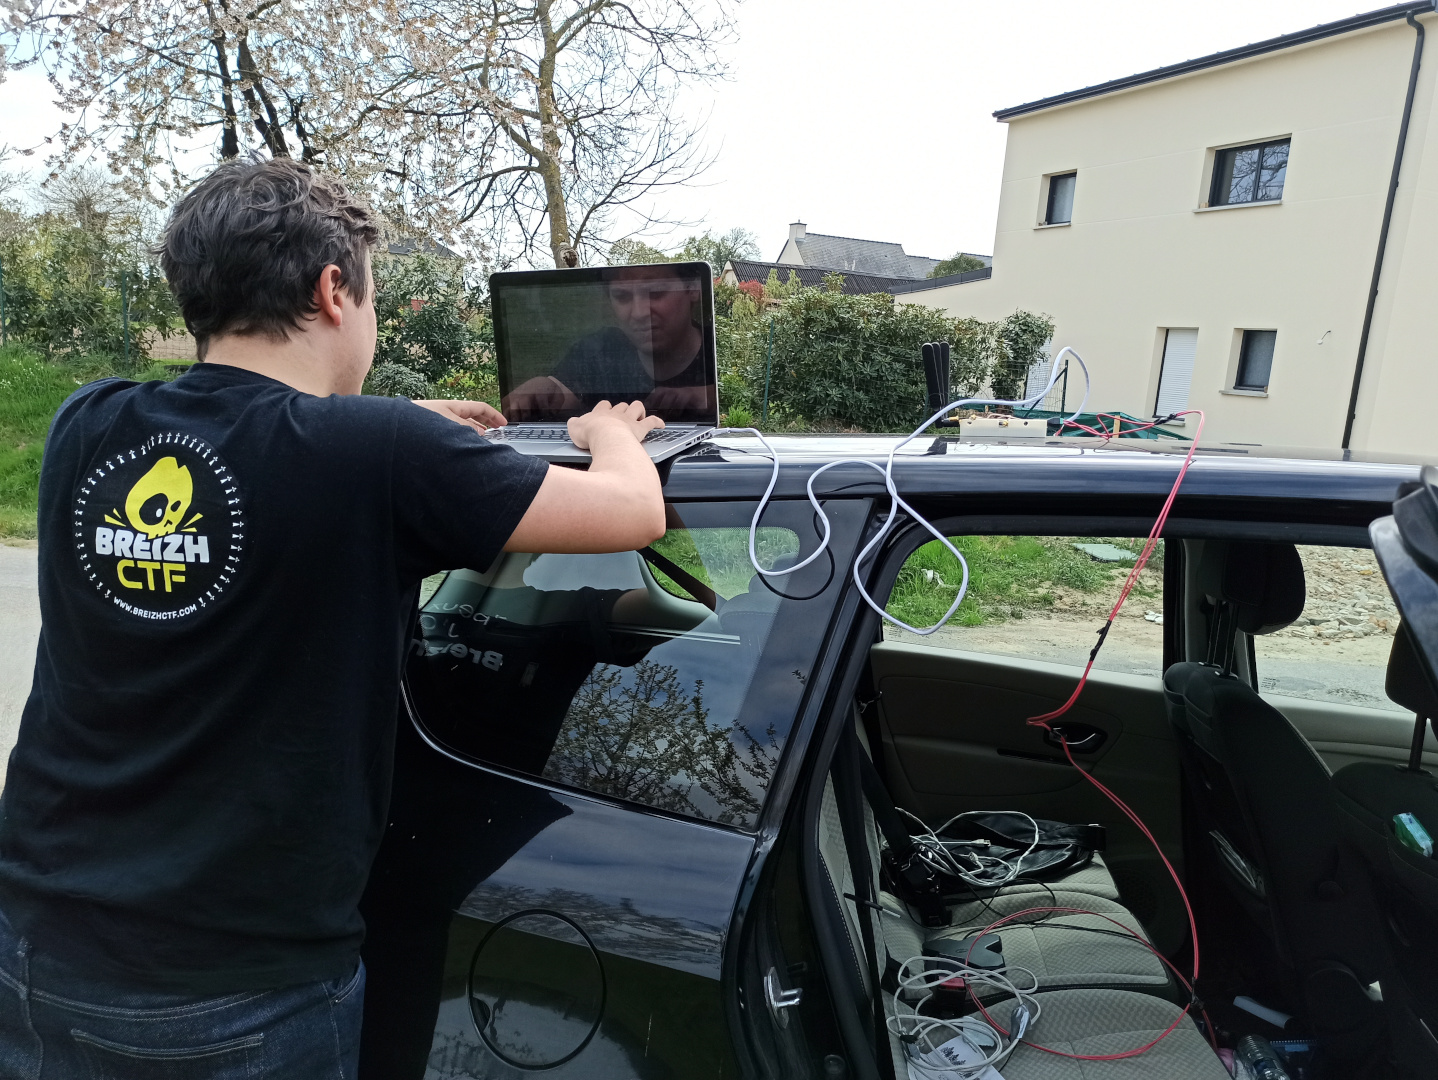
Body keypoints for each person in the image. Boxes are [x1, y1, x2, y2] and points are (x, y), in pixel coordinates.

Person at [0, 157, 667, 1078]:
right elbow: (631, 515)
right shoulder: (376, 454)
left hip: (34, 941)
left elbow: (259, 440)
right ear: (332, 290)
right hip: (235, 985)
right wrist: (611, 437)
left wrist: (408, 426)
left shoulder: (91, 420)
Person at [503, 263, 716, 421]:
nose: (640, 313)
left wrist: (708, 398)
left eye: (656, 293)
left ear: (692, 290)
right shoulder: (599, 350)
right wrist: (541, 386)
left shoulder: (715, 350)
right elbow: (561, 391)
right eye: (622, 297)